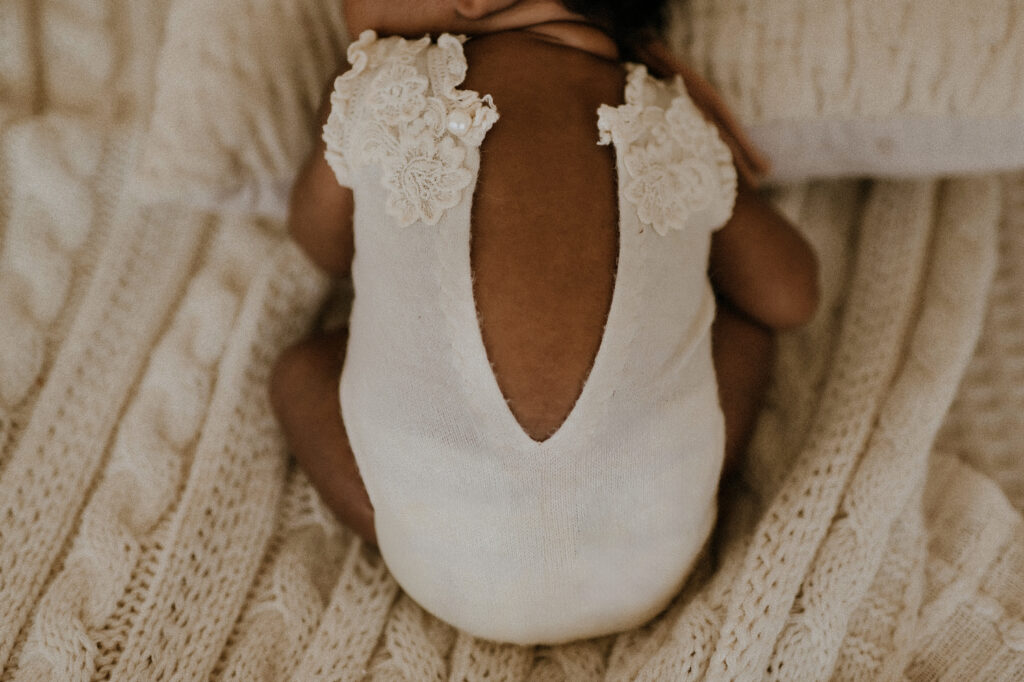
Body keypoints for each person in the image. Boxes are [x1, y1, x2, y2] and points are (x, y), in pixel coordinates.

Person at [269, 0, 818, 645]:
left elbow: (322, 247)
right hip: (649, 557)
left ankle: (399, 524)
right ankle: (667, 483)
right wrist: (716, 170)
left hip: (439, 566)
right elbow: (793, 297)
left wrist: (340, 114)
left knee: (301, 372)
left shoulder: (383, 84)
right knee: (744, 328)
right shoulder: (673, 125)